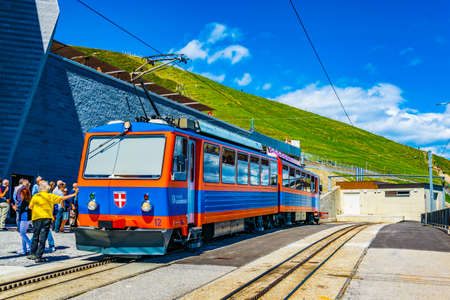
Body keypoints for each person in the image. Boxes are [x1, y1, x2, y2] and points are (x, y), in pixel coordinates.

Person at [28, 181, 78, 263]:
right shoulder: (50, 196)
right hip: (46, 218)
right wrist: (73, 194)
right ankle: (38, 257)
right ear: (47, 189)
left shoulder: (36, 196)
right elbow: (62, 198)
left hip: (36, 218)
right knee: (43, 237)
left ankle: (32, 254)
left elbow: (30, 207)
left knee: (35, 236)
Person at [17, 187, 32, 255]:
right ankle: (24, 249)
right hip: (26, 219)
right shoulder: (27, 200)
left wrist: (15, 208)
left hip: (24, 219)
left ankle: (31, 246)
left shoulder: (25, 201)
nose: (20, 195)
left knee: (22, 233)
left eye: (21, 194)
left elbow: (23, 210)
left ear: (23, 194)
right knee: (23, 234)